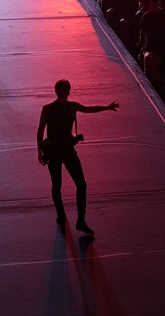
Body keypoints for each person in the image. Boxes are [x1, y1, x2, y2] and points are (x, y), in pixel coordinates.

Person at [37, 79, 119, 236]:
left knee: (57, 185)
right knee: (81, 184)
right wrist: (107, 107)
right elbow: (90, 109)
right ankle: (80, 220)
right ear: (68, 91)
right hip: (67, 150)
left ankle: (61, 215)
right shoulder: (72, 106)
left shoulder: (47, 108)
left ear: (56, 91)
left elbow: (40, 131)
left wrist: (39, 151)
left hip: (54, 151)